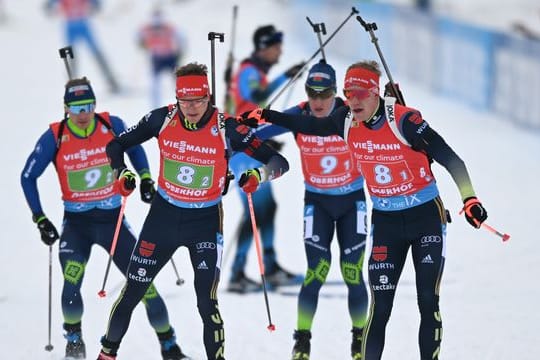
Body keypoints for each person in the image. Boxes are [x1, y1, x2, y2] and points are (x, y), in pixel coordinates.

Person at [240, 60, 489, 360]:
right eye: (349, 92)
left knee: (427, 301)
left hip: (425, 218)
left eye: (361, 93)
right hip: (386, 223)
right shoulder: (344, 119)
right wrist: (266, 115)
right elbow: (309, 125)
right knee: (380, 307)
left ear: (376, 94)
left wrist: (469, 199)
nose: (354, 100)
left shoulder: (404, 120)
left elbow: (451, 159)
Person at [97, 62, 290, 360]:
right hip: (163, 218)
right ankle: (106, 354)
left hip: (205, 221)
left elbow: (278, 162)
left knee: (206, 301)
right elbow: (115, 146)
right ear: (177, 98)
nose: (191, 107)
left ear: (208, 97)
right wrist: (122, 173)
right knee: (133, 291)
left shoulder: (228, 128)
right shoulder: (161, 118)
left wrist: (257, 177)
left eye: (198, 100)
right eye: (184, 100)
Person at [20, 77, 187, 360]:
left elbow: (135, 148)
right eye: (76, 108)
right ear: (66, 109)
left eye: (88, 106)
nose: (83, 114)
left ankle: (169, 346)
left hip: (113, 224)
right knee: (71, 283)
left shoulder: (112, 125)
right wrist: (40, 219)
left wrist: (146, 179)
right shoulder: (55, 136)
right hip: (77, 227)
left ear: (95, 105)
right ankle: (74, 343)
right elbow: (27, 177)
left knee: (144, 284)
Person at [254, 60, 369, 359]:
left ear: (336, 92)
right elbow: (256, 133)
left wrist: (394, 103)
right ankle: (302, 340)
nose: (318, 101)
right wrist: (237, 126)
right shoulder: (299, 114)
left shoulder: (352, 112)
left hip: (352, 202)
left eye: (325, 93)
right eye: (312, 93)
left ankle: (360, 339)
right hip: (317, 203)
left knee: (352, 272)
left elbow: (388, 123)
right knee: (316, 272)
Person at [225, 24, 303, 291]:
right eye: (276, 47)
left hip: (249, 149)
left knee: (267, 209)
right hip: (241, 154)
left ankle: (269, 267)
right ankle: (237, 273)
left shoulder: (254, 70)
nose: (280, 51)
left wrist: (265, 141)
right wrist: (286, 77)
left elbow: (251, 116)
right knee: (257, 211)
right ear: (264, 47)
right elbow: (256, 97)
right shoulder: (248, 71)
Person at [44, 0, 120, 92]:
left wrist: (95, 8)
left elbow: (97, 4)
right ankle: (71, 87)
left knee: (96, 53)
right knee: (69, 57)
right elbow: (47, 5)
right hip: (70, 27)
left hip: (83, 25)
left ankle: (112, 81)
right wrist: (50, 9)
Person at [138, 6, 186, 107]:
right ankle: (155, 106)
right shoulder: (147, 28)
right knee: (155, 84)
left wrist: (180, 51)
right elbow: (139, 37)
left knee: (178, 81)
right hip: (157, 58)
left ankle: (183, 102)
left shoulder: (168, 27)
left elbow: (181, 36)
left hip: (170, 57)